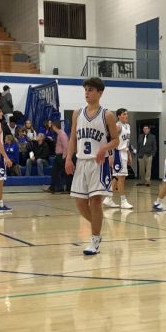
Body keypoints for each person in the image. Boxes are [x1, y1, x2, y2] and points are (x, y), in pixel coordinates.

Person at [66, 77, 119, 255]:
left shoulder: (107, 115)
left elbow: (116, 140)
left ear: (99, 92)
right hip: (81, 162)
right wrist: (68, 158)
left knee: (95, 202)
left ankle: (94, 240)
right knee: (81, 204)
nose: (87, 93)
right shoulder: (77, 113)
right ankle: (98, 227)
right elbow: (73, 138)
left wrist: (104, 147)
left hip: (99, 163)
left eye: (90, 90)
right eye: (85, 90)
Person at [105, 108, 133, 208]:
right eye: (124, 114)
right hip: (118, 153)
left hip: (124, 152)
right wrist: (110, 155)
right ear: (119, 116)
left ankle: (108, 198)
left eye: (127, 114)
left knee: (117, 177)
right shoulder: (117, 126)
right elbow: (110, 140)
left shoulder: (128, 126)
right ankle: (123, 201)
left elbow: (127, 142)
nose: (126, 116)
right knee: (121, 177)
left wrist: (129, 154)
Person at [48, 120, 69, 193]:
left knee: (65, 172)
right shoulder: (59, 134)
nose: (52, 128)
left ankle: (67, 188)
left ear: (55, 126)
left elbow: (66, 146)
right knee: (54, 172)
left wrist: (64, 156)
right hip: (58, 156)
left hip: (61, 156)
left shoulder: (62, 134)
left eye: (52, 126)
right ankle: (54, 187)